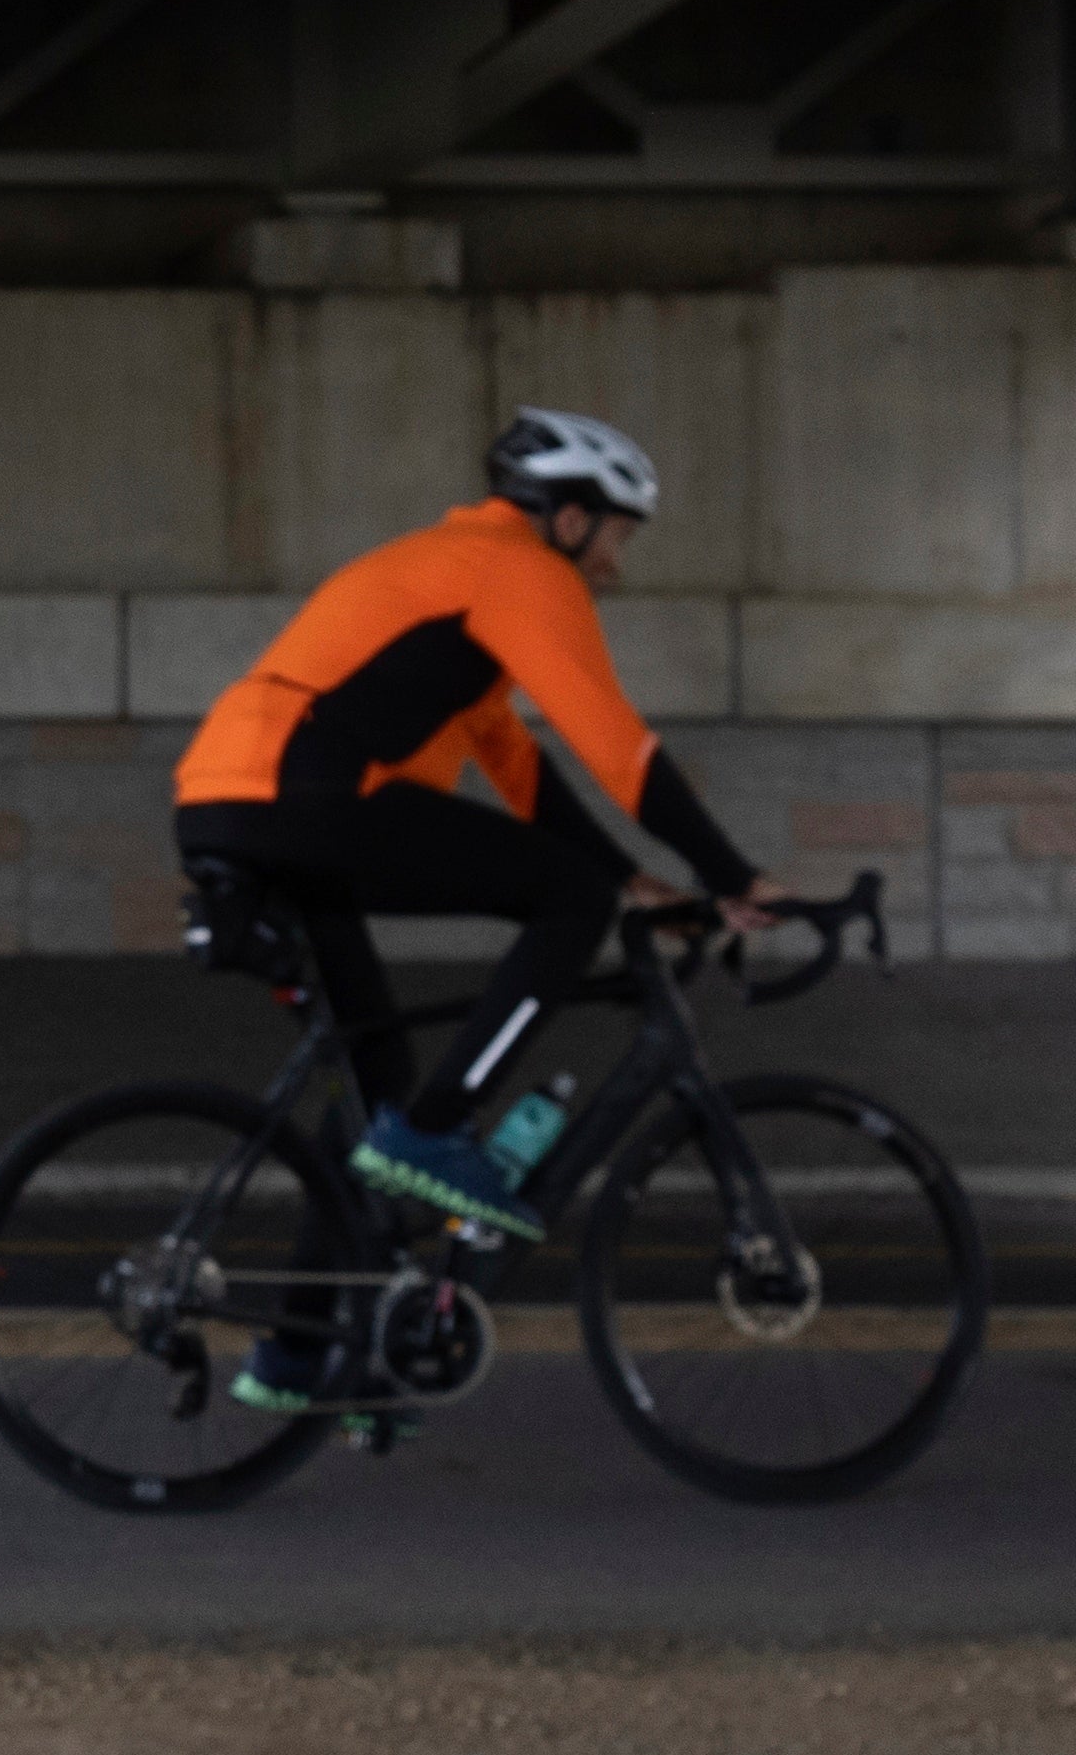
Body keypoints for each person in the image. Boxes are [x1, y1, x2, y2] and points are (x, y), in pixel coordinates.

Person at [170, 409, 775, 1393]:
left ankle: (294, 1352)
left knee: (374, 1070)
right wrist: (736, 875)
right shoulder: (522, 573)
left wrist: (633, 877)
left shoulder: (453, 574)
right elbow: (616, 745)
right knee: (564, 905)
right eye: (619, 536)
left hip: (230, 799)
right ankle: (436, 1134)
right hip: (304, 793)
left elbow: (514, 759)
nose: (618, 565)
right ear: (570, 521)